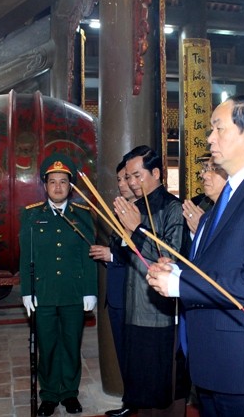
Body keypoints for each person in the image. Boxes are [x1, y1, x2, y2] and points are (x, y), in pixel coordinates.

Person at [147, 95, 244, 417]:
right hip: (215, 358)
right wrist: (178, 270)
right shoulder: (232, 193)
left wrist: (181, 285)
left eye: (218, 128)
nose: (209, 138)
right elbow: (221, 263)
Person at [112, 145, 189, 417]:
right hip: (135, 305)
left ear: (156, 172)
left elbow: (170, 256)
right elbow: (124, 253)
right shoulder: (135, 207)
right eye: (128, 177)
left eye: (137, 176)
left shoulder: (172, 207)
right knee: (142, 384)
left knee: (164, 385)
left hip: (160, 312)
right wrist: (124, 231)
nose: (131, 183)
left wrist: (136, 229)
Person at [19, 154, 97, 416]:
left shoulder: (83, 215)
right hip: (44, 293)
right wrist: (27, 292)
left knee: (71, 345)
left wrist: (90, 290)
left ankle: (70, 393)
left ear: (70, 186)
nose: (58, 187)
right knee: (48, 346)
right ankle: (50, 395)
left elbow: (88, 256)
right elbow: (26, 256)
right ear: (45, 185)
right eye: (53, 182)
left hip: (74, 293)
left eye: (63, 182)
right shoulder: (31, 216)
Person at [89, 159, 137, 417]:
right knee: (124, 354)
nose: (123, 183)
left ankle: (136, 401)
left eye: (127, 177)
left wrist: (112, 256)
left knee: (137, 355)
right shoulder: (122, 210)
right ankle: (130, 401)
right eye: (119, 179)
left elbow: (145, 255)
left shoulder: (144, 212)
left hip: (137, 297)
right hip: (118, 295)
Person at [182, 154, 228, 237]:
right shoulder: (203, 205)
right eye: (205, 169)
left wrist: (204, 231)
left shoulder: (241, 207)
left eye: (215, 169)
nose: (204, 175)